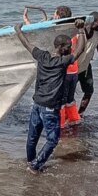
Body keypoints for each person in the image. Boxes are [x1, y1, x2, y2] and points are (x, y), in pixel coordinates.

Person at [14, 19, 86, 173]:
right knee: (52, 140)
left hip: (37, 104)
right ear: (60, 48)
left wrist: (18, 30)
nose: (70, 49)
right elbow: (80, 50)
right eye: (68, 47)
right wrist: (81, 30)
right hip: (50, 108)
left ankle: (30, 161)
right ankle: (35, 166)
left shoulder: (43, 56)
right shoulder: (62, 62)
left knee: (33, 137)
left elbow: (27, 45)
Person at [76, 12, 98, 115]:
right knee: (67, 93)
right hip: (73, 68)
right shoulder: (79, 32)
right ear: (92, 22)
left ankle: (80, 114)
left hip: (85, 67)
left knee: (89, 91)